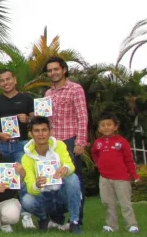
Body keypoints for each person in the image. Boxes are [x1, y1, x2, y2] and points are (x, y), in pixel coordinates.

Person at [0, 69, 35, 229]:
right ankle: (0, 217)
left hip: (21, 144)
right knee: (0, 180)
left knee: (23, 179)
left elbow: (37, 119)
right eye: (2, 80)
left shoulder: (26, 99)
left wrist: (28, 119)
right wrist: (0, 134)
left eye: (8, 79)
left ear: (14, 80)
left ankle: (26, 215)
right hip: (1, 145)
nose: (5, 83)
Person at [44, 56, 88, 227]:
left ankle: (76, 219)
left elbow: (82, 116)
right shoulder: (48, 93)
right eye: (49, 70)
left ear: (64, 69)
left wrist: (80, 142)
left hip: (70, 140)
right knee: (53, 180)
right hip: (52, 143)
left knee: (74, 180)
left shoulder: (75, 89)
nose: (53, 73)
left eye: (56, 69)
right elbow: (46, 120)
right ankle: (56, 219)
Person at [20, 116, 82, 234]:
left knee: (72, 178)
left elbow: (70, 165)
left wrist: (65, 168)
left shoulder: (59, 145)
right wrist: (37, 185)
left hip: (61, 194)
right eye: (37, 131)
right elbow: (30, 187)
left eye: (44, 130)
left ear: (50, 132)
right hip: (44, 196)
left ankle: (74, 222)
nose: (41, 134)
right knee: (27, 200)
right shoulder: (26, 157)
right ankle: (43, 218)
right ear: (30, 134)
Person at [91, 113, 140, 233]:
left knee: (125, 203)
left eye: (109, 124)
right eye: (103, 125)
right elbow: (94, 153)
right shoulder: (98, 142)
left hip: (121, 178)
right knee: (108, 203)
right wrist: (99, 164)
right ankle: (111, 226)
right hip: (104, 178)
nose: (106, 127)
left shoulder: (122, 142)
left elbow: (129, 160)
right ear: (99, 128)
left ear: (115, 127)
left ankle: (132, 225)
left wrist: (134, 175)